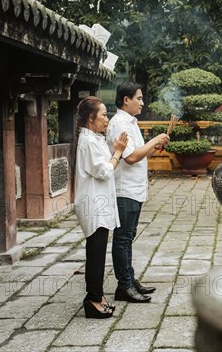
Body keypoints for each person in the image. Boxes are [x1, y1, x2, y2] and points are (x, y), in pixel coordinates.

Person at [106, 81, 170, 303]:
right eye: (139, 98)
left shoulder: (131, 123)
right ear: (126, 100)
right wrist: (154, 139)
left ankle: (130, 280)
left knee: (128, 237)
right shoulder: (118, 124)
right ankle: (124, 286)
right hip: (124, 189)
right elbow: (131, 158)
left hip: (134, 188)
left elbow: (139, 155)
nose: (142, 103)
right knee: (123, 238)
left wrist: (154, 147)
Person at [73, 96, 128, 319]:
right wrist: (117, 152)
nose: (107, 119)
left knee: (97, 253)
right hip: (93, 206)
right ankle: (92, 299)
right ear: (91, 118)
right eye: (104, 114)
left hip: (99, 204)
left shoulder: (93, 139)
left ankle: (98, 296)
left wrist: (115, 151)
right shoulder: (88, 141)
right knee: (95, 254)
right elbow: (104, 171)